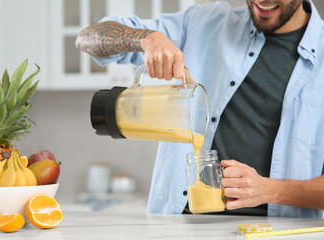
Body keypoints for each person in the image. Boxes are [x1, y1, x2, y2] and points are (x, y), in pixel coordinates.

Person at [76, 0, 324, 218]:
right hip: (179, 224)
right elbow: (88, 38)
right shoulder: (203, 24)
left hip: (273, 232)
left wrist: (271, 190)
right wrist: (147, 38)